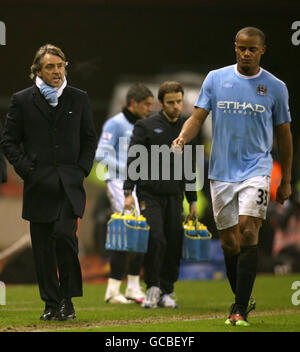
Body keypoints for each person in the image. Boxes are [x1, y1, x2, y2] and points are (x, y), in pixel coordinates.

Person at [172, 27, 293, 326]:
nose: (246, 53)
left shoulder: (275, 87)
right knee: (229, 243)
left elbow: (284, 135)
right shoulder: (216, 78)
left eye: (252, 49)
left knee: (248, 228)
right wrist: (182, 139)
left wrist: (287, 179)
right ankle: (242, 296)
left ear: (263, 50)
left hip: (257, 170)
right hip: (222, 172)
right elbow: (197, 116)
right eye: (241, 48)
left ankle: (238, 308)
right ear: (235, 48)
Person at [1, 44, 97, 321]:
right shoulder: (22, 100)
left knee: (66, 238)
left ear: (66, 66)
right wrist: (26, 169)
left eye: (60, 65)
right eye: (50, 67)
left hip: (70, 183)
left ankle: (68, 300)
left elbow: (89, 138)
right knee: (42, 248)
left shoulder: (79, 98)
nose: (56, 71)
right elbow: (8, 140)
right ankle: (50, 303)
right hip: (38, 184)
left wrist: (81, 169)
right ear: (37, 71)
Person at [124, 81, 198, 309]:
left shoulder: (188, 127)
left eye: (179, 101)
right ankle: (153, 287)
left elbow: (189, 164)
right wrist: (128, 191)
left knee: (174, 241)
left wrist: (192, 199)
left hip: (174, 195)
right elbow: (134, 158)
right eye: (170, 102)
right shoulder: (145, 126)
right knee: (156, 238)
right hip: (150, 193)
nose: (176, 106)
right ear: (161, 103)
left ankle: (167, 290)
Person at [95, 83, 154, 304]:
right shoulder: (115, 123)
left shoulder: (144, 125)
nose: (150, 109)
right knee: (131, 229)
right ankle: (120, 288)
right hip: (119, 182)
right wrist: (127, 169)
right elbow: (101, 153)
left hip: (138, 184)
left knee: (136, 233)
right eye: (146, 105)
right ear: (133, 103)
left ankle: (126, 288)